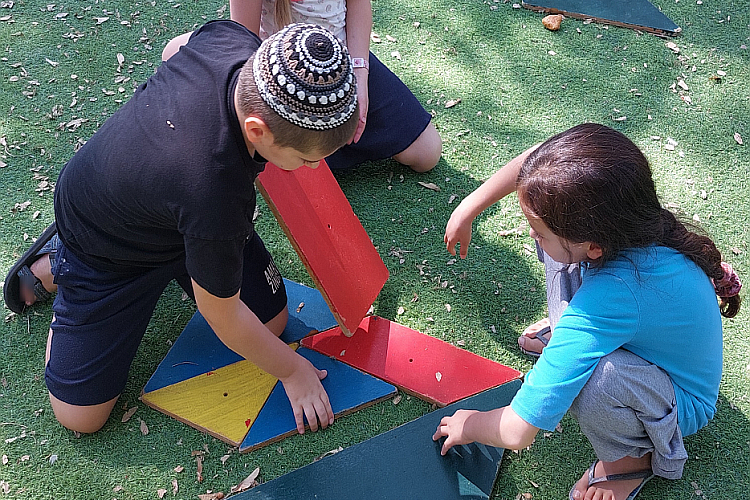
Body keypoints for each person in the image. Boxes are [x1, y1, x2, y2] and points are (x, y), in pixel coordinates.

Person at [3, 22, 361, 435]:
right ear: (257, 130)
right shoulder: (216, 192)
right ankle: (59, 264)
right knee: (80, 417)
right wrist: (293, 370)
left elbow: (174, 50)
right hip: (106, 246)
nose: (313, 168)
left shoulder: (238, 44)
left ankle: (177, 246)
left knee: (271, 324)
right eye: (305, 158)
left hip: (180, 216)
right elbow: (221, 314)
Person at [436, 124, 742, 500]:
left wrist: (471, 423)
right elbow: (542, 165)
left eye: (539, 232)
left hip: (680, 403)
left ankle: (631, 461)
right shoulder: (618, 217)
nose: (532, 235)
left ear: (594, 245)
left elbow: (518, 431)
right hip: (636, 328)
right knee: (558, 250)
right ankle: (573, 337)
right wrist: (469, 207)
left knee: (595, 381)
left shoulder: (612, 295)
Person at [228, 0, 442, 172]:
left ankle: (326, 151)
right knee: (294, 161)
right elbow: (243, 42)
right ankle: (311, 154)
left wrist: (360, 75)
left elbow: (358, 4)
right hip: (287, 83)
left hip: (345, 61)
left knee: (426, 154)